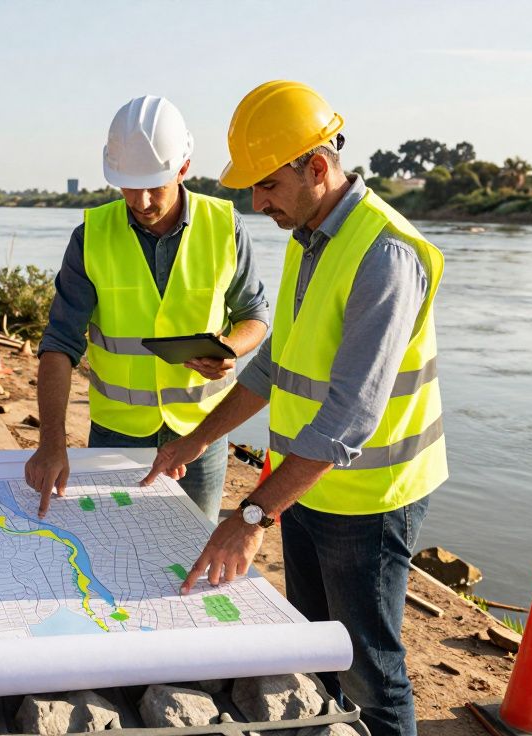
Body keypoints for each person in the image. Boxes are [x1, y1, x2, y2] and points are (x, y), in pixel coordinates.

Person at [142, 81, 447, 736]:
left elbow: (348, 416)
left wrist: (253, 513)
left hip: (370, 502)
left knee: (369, 664)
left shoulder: (383, 255)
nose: (257, 204)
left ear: (317, 167)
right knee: (316, 644)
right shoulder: (315, 238)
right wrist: (198, 438)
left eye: (267, 186)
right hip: (310, 490)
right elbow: (276, 365)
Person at [25, 95, 270, 522]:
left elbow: (255, 314)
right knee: (111, 548)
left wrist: (228, 348)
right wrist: (51, 444)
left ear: (183, 168)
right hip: (115, 435)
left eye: (154, 187)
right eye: (128, 186)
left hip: (201, 435)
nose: (140, 202)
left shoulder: (224, 225)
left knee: (192, 549)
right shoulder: (91, 236)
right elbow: (59, 346)